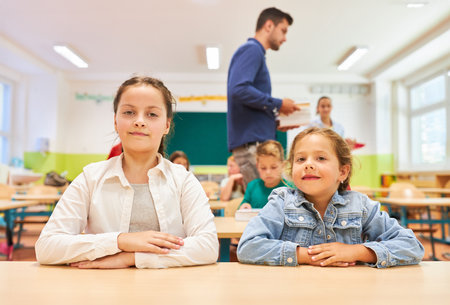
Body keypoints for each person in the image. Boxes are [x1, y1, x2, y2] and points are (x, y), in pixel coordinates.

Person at [35, 76, 219, 269]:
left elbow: (207, 246)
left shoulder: (183, 181)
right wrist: (121, 241)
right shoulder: (91, 178)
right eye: (129, 112)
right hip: (104, 291)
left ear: (166, 125)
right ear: (116, 121)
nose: (139, 121)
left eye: (152, 114)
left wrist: (132, 258)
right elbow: (47, 247)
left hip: (169, 290)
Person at [237, 127, 424, 267]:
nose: (308, 165)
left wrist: (357, 252)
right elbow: (248, 247)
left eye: (320, 158)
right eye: (301, 159)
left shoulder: (360, 205)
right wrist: (307, 256)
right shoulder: (281, 202)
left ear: (342, 171)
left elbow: (412, 246)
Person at [227, 7, 300, 188]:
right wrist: (279, 104)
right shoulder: (252, 50)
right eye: (283, 30)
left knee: (266, 207)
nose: (284, 38)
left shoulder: (255, 53)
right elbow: (239, 89)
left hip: (256, 145)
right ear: (269, 25)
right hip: (254, 148)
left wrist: (276, 122)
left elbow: (247, 99)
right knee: (263, 208)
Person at [238, 140, 287, 210]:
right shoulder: (252, 186)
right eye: (263, 168)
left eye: (273, 167)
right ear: (257, 166)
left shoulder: (289, 189)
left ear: (283, 166)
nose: (268, 172)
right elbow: (244, 204)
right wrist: (245, 205)